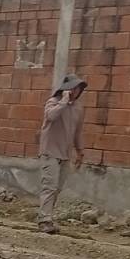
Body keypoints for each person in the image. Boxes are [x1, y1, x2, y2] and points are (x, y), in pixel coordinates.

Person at [37, 74, 87, 233]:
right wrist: (64, 101)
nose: (76, 91)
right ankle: (44, 220)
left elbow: (77, 132)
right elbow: (51, 116)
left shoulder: (78, 108)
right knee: (49, 187)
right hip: (50, 152)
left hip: (65, 154)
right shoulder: (53, 102)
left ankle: (48, 217)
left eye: (79, 89)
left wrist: (80, 151)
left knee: (57, 188)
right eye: (74, 88)